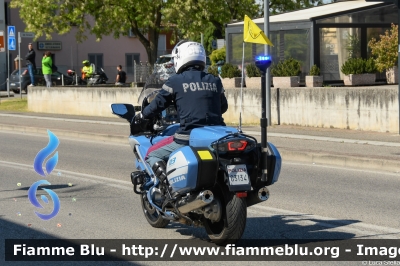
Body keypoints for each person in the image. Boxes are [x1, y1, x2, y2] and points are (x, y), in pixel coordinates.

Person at [139, 40, 228, 181]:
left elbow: (157, 105)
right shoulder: (214, 80)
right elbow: (223, 107)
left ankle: (168, 188)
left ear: (179, 58)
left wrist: (142, 114)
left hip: (188, 137)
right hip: (216, 136)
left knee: (151, 154)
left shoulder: (175, 81)